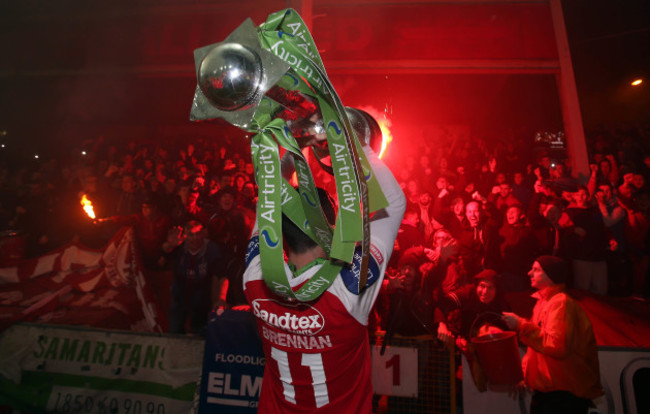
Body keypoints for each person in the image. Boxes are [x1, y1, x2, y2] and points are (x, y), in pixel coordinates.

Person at [243, 143, 405, 413]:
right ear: (329, 233)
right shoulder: (348, 289)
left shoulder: (255, 278)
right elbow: (395, 204)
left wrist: (297, 148)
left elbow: (268, 199)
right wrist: (352, 140)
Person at [502, 256, 603, 414]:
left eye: (536, 269)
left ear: (551, 275)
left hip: (564, 395)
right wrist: (525, 374)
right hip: (549, 391)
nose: (529, 273)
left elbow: (556, 345)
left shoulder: (561, 303)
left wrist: (521, 324)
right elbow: (536, 348)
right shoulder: (544, 302)